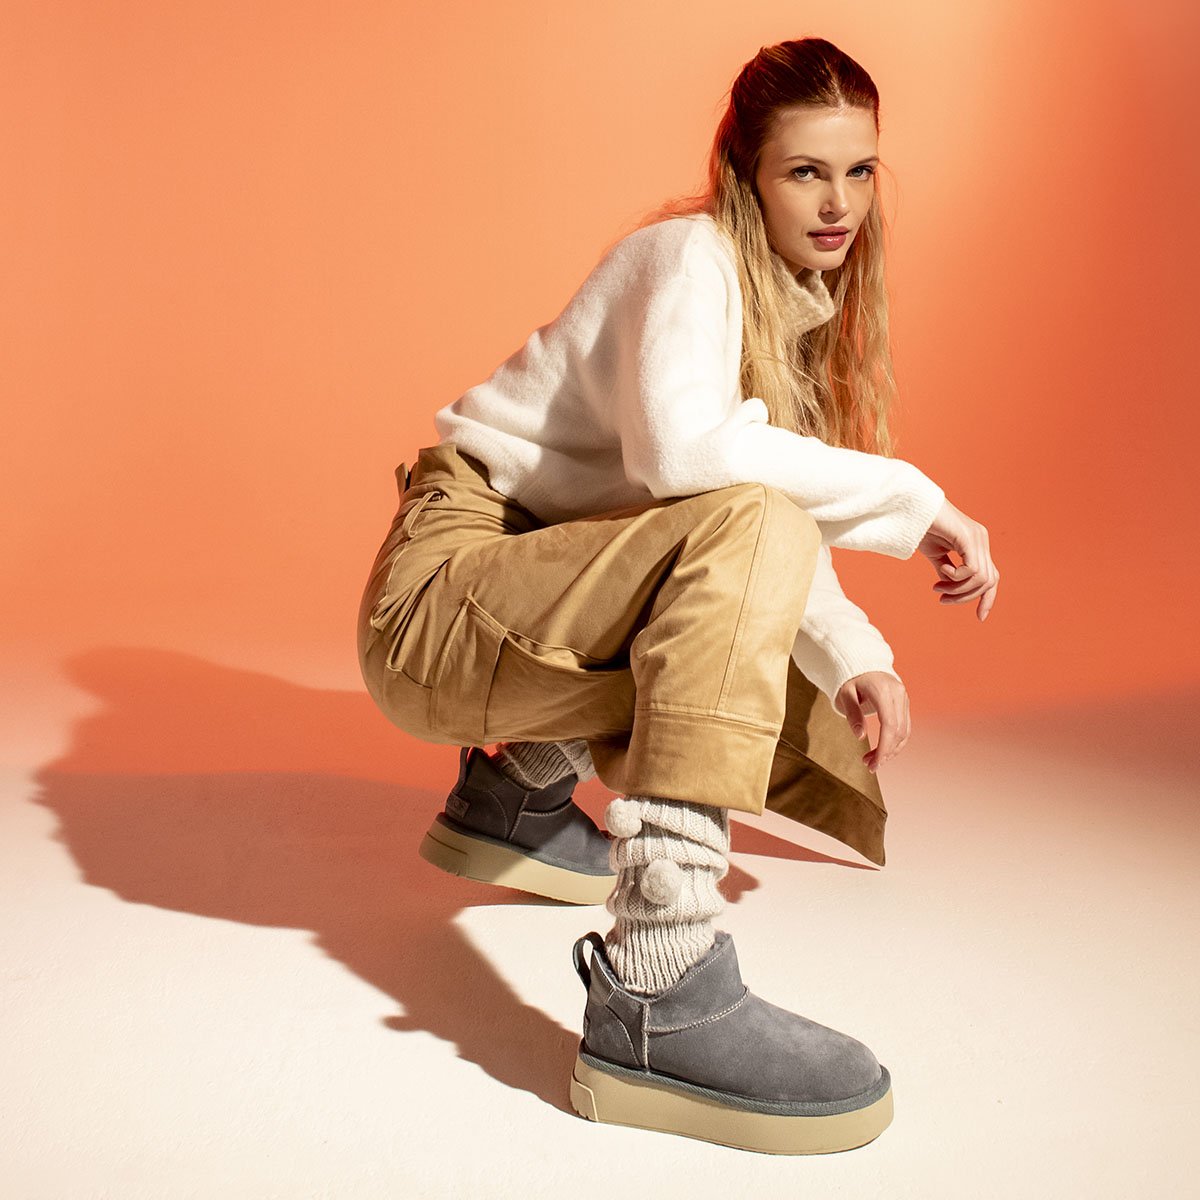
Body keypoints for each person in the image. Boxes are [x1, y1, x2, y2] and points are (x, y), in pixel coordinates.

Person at [356, 36, 998, 1156]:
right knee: (742, 540)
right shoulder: (689, 256)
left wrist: (854, 654)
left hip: (523, 597)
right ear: (746, 171)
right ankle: (661, 983)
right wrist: (917, 501)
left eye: (859, 171)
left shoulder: (779, 298)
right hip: (443, 596)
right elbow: (696, 466)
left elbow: (739, 505)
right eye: (805, 171)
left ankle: (513, 796)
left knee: (744, 554)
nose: (839, 204)